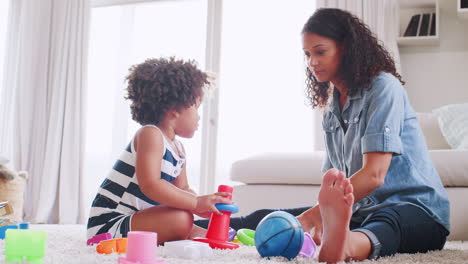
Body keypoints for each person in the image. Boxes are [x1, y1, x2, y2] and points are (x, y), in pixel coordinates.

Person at [197, 8, 450, 263]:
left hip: (415, 211)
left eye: (320, 52)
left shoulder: (384, 87)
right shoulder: (332, 107)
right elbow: (332, 183)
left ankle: (346, 245)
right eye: (307, 54)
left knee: (385, 225)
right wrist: (313, 217)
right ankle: (190, 227)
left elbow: (374, 175)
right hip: (360, 210)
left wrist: (315, 217)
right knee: (273, 217)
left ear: (346, 48)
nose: (312, 62)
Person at [86, 57, 232, 244]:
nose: (199, 116)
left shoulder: (178, 149)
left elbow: (183, 189)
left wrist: (203, 204)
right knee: (181, 219)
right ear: (175, 110)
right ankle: (189, 231)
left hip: (137, 218)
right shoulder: (151, 135)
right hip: (108, 225)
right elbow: (151, 185)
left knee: (184, 216)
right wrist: (195, 204)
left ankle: (194, 232)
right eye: (196, 107)